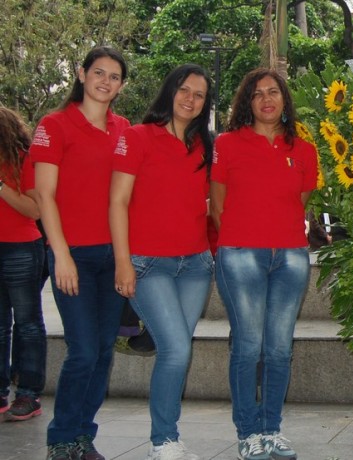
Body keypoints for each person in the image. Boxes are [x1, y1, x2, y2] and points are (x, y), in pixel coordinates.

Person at [211, 68, 318, 460]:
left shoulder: (304, 150)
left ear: (284, 101)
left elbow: (300, 201)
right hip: (240, 254)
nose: (266, 100)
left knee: (279, 348)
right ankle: (248, 432)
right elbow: (218, 204)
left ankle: (272, 429)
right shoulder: (227, 143)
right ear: (247, 103)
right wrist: (242, 238)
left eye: (273, 92)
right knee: (248, 346)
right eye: (257, 95)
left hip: (290, 256)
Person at [109, 64, 215, 459]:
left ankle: (167, 436)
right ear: (170, 92)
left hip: (196, 266)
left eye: (199, 95)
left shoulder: (204, 145)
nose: (190, 99)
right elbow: (117, 202)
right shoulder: (136, 137)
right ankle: (164, 440)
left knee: (177, 349)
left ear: (206, 104)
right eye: (184, 90)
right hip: (148, 264)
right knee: (175, 349)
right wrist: (123, 262)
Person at [31, 46, 130, 460]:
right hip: (73, 257)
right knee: (84, 350)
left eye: (113, 77)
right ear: (81, 73)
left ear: (121, 86)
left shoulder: (124, 128)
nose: (105, 81)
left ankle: (81, 437)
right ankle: (61, 438)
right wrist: (62, 255)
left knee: (104, 352)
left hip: (112, 256)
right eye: (98, 73)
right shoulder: (54, 125)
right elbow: (44, 195)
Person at [0, 107, 46, 422]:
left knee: (27, 324)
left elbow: (35, 209)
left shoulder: (21, 158)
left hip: (21, 248)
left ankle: (28, 394)